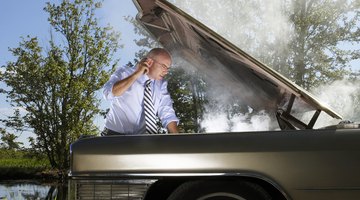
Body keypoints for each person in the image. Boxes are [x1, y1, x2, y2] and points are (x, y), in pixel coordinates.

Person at [102, 48, 179, 135]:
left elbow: (167, 113)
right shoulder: (124, 72)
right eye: (164, 66)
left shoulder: (161, 85)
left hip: (142, 141)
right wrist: (137, 73)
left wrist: (177, 139)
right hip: (114, 137)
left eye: (168, 68)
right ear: (150, 62)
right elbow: (108, 93)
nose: (166, 72)